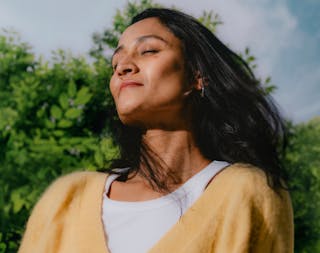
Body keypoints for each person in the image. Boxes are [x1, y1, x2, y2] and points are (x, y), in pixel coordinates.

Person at [18, 8, 294, 253]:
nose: (123, 68)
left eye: (148, 50)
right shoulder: (68, 197)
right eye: (115, 64)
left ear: (197, 76)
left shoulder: (247, 191)